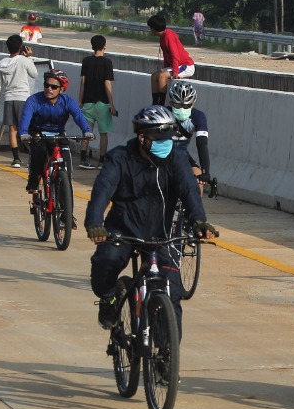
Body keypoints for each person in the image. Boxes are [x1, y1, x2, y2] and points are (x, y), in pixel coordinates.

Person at [85, 106, 217, 331]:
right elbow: (102, 191)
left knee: (172, 292)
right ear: (142, 137)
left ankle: (165, 359)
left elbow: (189, 190)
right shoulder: (120, 158)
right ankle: (109, 298)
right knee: (106, 262)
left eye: (169, 137)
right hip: (122, 230)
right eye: (160, 138)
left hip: (161, 234)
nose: (166, 143)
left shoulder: (176, 158)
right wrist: (95, 223)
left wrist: (198, 220)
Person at [19, 69, 93, 193]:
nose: (49, 89)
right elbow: (25, 117)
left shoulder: (67, 101)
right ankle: (33, 182)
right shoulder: (34, 100)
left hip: (58, 133)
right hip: (37, 133)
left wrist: (87, 131)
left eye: (54, 87)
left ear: (62, 89)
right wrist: (23, 133)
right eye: (46, 85)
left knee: (67, 161)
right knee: (40, 154)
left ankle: (66, 195)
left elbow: (78, 116)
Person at [0, 33, 47, 164]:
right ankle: (31, 155)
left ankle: (16, 158)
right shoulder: (24, 60)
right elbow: (34, 74)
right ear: (20, 47)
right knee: (26, 128)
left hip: (8, 98)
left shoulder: (1, 64)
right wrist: (29, 58)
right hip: (23, 98)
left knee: (12, 129)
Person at [78, 34, 119, 168]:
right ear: (104, 47)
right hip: (102, 104)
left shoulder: (86, 61)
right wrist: (111, 104)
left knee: (87, 132)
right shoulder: (107, 63)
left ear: (92, 46)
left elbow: (83, 82)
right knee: (103, 134)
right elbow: (107, 84)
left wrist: (80, 100)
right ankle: (102, 161)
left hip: (88, 102)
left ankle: (83, 159)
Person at [164, 80, 210, 184]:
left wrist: (205, 171)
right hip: (162, 155)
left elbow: (202, 144)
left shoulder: (198, 117)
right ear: (170, 103)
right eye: (177, 105)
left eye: (186, 106)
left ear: (192, 105)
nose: (181, 109)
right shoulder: (163, 113)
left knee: (198, 178)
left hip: (182, 154)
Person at [148, 14, 195, 104]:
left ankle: (161, 104)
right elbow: (166, 56)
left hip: (186, 65)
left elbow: (175, 55)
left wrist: (175, 72)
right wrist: (166, 68)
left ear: (153, 29)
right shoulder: (162, 37)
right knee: (154, 76)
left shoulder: (168, 36)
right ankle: (154, 103)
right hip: (175, 65)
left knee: (162, 76)